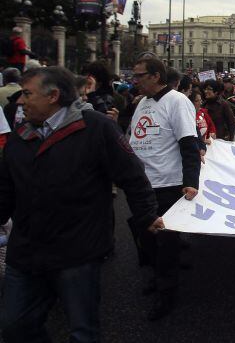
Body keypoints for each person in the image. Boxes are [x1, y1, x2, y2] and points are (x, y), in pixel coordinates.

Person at [0, 67, 162, 342]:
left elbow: (132, 176)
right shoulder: (19, 138)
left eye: (27, 94)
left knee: (82, 331)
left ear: (53, 96)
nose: (20, 101)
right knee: (15, 325)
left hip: (77, 251)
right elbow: (6, 189)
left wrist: (147, 216)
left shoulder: (96, 128)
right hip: (27, 250)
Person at [128, 57, 200, 321]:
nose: (134, 80)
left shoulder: (178, 102)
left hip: (167, 184)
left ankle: (167, 293)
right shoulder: (142, 104)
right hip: (141, 185)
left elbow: (188, 144)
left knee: (166, 243)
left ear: (156, 76)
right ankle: (158, 277)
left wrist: (191, 181)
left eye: (139, 75)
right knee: (144, 238)